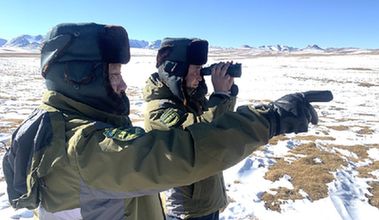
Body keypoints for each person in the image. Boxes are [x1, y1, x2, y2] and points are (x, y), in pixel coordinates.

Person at [2, 23, 331, 220]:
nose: (121, 84)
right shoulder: (83, 149)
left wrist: (218, 95)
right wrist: (271, 118)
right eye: (113, 73)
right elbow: (183, 151)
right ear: (77, 76)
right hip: (186, 207)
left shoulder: (65, 126)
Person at [143, 38, 238, 220]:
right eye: (195, 70)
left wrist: (226, 94)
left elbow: (222, 128)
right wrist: (219, 96)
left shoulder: (191, 99)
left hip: (208, 199)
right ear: (175, 71)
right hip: (186, 210)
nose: (200, 77)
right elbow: (204, 136)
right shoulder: (158, 110)